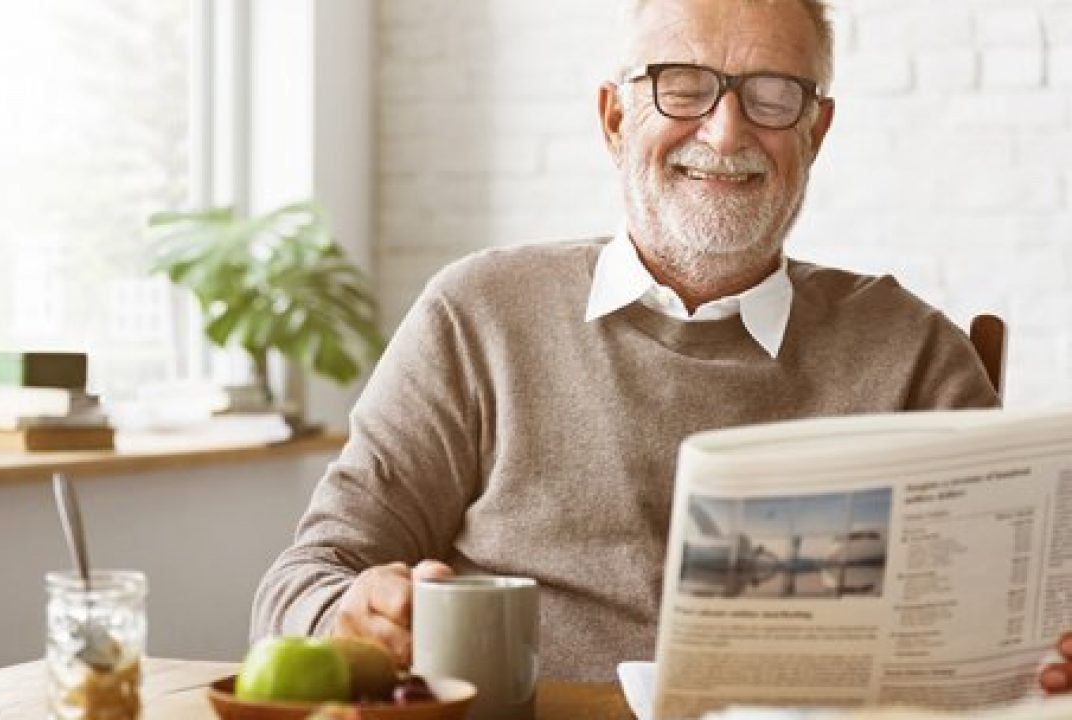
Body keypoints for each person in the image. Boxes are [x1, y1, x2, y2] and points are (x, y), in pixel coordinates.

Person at [251, 0, 1003, 682]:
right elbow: (306, 578)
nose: (726, 130)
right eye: (682, 85)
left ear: (817, 130)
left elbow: (1004, 625)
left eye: (775, 95)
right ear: (615, 119)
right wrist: (349, 612)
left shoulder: (914, 354)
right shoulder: (478, 315)